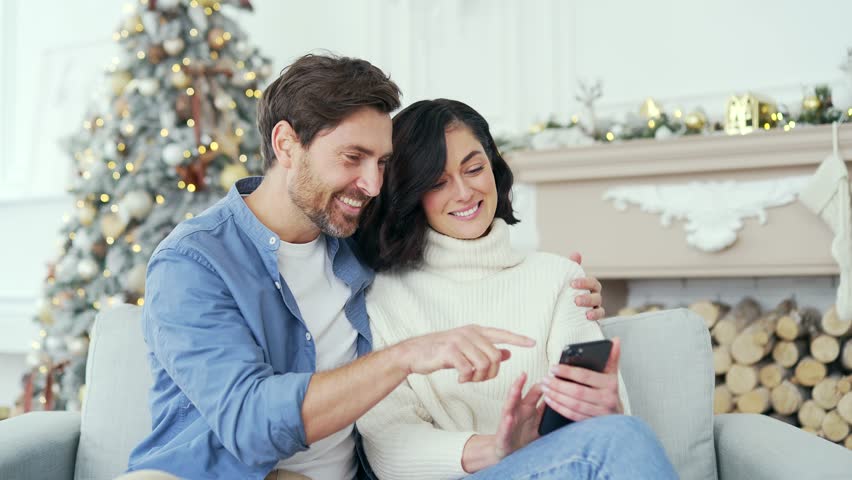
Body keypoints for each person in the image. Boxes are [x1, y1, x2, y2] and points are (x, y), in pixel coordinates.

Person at [122, 54, 606, 480]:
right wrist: (406, 356)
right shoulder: (195, 263)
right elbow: (250, 425)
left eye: (382, 163)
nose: (372, 184)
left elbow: (459, 246)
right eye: (353, 158)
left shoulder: (355, 231)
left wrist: (562, 285)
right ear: (286, 144)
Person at [355, 99, 677, 479]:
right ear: (410, 194)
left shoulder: (558, 278)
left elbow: (605, 437)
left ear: (493, 167)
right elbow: (389, 449)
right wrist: (497, 448)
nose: (463, 192)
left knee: (623, 433)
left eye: (474, 168)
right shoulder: (381, 300)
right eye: (437, 182)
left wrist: (607, 410)